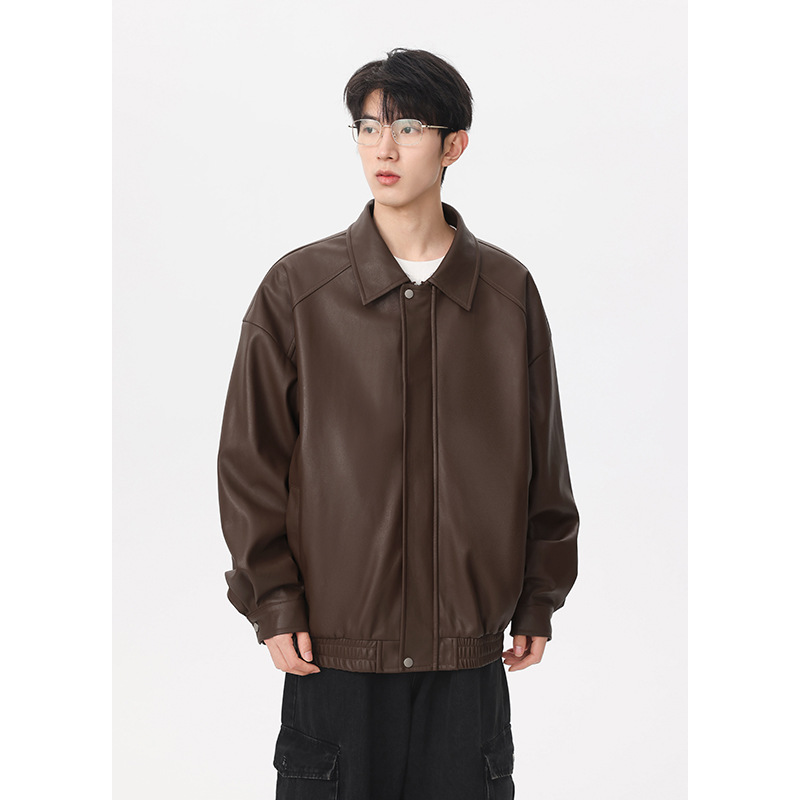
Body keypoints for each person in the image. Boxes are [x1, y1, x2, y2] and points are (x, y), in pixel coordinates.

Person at [217, 47, 579, 800]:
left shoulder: (507, 292)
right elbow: (251, 462)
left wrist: (539, 595)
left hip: (466, 664)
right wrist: (273, 600)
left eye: (408, 128)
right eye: (368, 127)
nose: (383, 148)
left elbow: (544, 460)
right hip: (333, 658)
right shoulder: (299, 288)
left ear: (453, 146)